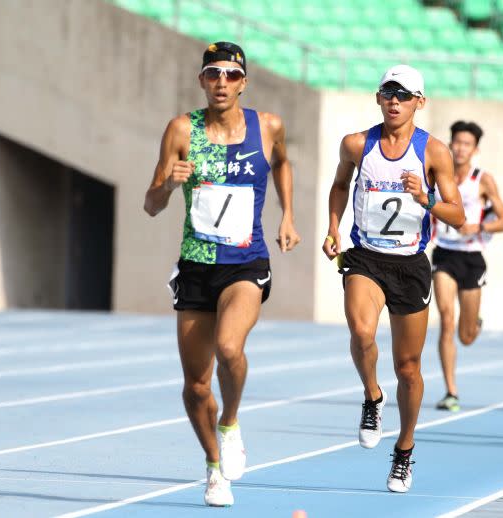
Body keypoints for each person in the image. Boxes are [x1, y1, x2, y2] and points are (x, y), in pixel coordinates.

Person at [144, 42, 301, 507]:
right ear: (201, 80)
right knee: (195, 385)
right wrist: (169, 185)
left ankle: (230, 421)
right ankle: (214, 467)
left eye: (231, 75)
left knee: (231, 346)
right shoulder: (180, 130)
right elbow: (150, 204)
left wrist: (287, 213)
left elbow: (283, 163)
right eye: (213, 74)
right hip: (196, 264)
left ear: (243, 82)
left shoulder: (267, 126)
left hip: (246, 262)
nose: (222, 83)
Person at [322, 64, 464, 492]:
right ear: (378, 97)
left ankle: (403, 450)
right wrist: (333, 228)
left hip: (410, 265)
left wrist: (426, 198)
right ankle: (371, 397)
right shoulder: (357, 144)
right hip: (365, 257)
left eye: (403, 95)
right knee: (362, 331)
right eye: (388, 93)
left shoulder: (434, 152)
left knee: (408, 368)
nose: (394, 101)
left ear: (419, 102)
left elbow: (458, 215)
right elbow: (338, 187)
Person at [432, 120, 503, 412]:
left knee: (465, 335)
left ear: (474, 149)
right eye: (457, 142)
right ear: (450, 144)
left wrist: (476, 227)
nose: (461, 148)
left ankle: (474, 322)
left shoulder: (483, 180)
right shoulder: (438, 174)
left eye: (467, 144)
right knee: (446, 320)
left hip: (472, 257)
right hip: (444, 254)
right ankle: (451, 391)